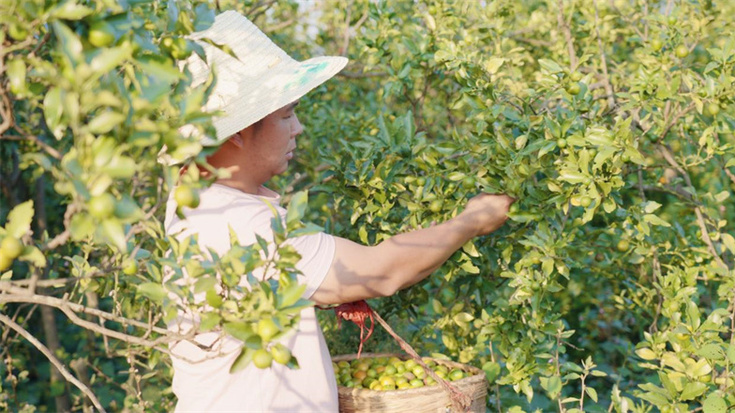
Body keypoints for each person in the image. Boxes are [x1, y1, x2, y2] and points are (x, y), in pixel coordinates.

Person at [163, 10, 514, 412]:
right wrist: (471, 221)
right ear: (241, 130)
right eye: (286, 114)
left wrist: (319, 284)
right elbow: (383, 271)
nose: (297, 128)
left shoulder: (198, 201)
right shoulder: (244, 224)